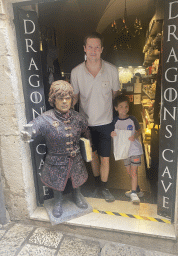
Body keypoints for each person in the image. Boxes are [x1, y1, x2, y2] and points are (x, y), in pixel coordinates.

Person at [21, 80, 91, 218]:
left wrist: (88, 146)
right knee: (56, 181)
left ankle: (77, 197)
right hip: (55, 160)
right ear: (54, 100)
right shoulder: (45, 118)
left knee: (76, 178)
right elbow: (34, 126)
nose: (65, 101)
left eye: (68, 98)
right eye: (60, 98)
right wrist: (28, 133)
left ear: (71, 99)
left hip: (75, 158)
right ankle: (57, 202)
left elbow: (86, 131)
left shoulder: (78, 118)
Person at [71, 32, 120, 202]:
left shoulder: (112, 70)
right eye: (90, 47)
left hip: (106, 123)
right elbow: (75, 98)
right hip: (87, 124)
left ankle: (104, 188)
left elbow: (114, 95)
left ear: (102, 49)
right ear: (84, 49)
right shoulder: (76, 72)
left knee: (105, 158)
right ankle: (98, 183)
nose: (93, 50)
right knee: (93, 157)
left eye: (97, 47)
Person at [111, 94, 143, 204]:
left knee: (133, 172)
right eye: (121, 106)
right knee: (129, 171)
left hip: (134, 150)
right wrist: (112, 134)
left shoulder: (132, 119)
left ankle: (134, 193)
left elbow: (139, 130)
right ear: (116, 108)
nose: (124, 109)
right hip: (124, 152)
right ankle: (137, 188)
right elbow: (113, 133)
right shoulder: (115, 121)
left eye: (126, 106)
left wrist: (135, 135)